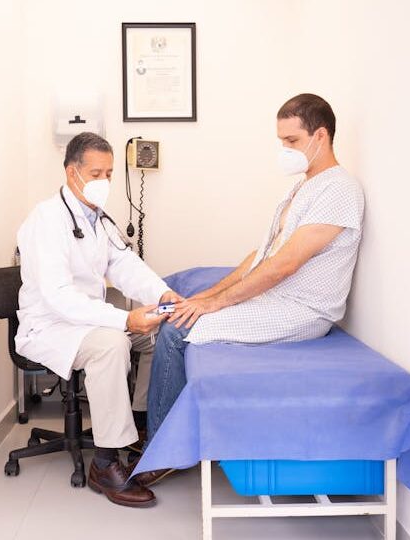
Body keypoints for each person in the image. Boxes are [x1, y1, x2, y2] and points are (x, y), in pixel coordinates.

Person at [138, 94, 365, 486]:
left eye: (291, 141)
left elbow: (283, 266)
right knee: (182, 312)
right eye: (281, 141)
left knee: (176, 331)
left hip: (304, 311)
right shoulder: (302, 189)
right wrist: (206, 297)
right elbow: (260, 256)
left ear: (321, 136)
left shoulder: (340, 190)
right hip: (277, 300)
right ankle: (161, 431)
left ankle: (163, 451)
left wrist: (216, 305)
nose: (285, 150)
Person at [15, 132, 183, 508]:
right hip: (51, 326)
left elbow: (124, 264)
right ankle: (105, 464)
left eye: (108, 174)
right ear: (71, 172)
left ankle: (141, 423)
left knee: (160, 333)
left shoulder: (98, 218)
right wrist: (125, 319)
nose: (104, 182)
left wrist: (161, 295)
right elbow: (59, 297)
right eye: (95, 174)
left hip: (87, 319)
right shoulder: (46, 220)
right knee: (112, 344)